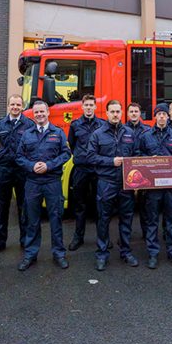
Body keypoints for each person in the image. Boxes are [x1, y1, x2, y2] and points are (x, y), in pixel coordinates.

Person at [15, 101, 71, 271]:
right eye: (37, 112)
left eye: (42, 111)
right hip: (33, 182)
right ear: (34, 114)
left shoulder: (58, 132)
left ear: (48, 113)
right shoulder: (26, 134)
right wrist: (31, 166)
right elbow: (19, 156)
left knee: (55, 218)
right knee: (32, 220)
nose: (39, 114)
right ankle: (30, 254)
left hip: (52, 182)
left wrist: (49, 165)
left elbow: (66, 153)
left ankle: (59, 254)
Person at [88, 100, 139, 271]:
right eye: (112, 111)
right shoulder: (97, 134)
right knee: (103, 219)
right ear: (107, 113)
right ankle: (102, 253)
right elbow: (90, 157)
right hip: (106, 183)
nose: (116, 114)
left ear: (122, 112)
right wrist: (111, 161)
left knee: (126, 219)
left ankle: (126, 252)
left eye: (118, 111)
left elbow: (136, 156)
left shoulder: (130, 133)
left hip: (126, 184)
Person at [137, 103, 172, 269]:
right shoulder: (145, 136)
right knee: (152, 222)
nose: (161, 117)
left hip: (171, 188)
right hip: (152, 189)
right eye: (158, 114)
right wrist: (147, 160)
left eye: (164, 115)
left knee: (171, 222)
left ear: (168, 117)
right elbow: (137, 156)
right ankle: (153, 254)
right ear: (155, 116)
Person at [0, 94, 35, 255]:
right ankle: (0, 241)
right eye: (13, 104)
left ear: (22, 107)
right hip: (4, 169)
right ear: (8, 106)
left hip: (21, 170)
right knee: (2, 206)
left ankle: (25, 240)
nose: (15, 107)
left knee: (23, 206)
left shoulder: (29, 125)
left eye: (18, 105)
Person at [67, 95, 106, 251]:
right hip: (81, 170)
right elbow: (72, 144)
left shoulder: (102, 125)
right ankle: (78, 237)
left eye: (91, 105)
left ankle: (102, 237)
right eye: (86, 105)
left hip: (97, 169)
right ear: (82, 107)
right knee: (79, 205)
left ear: (95, 107)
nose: (89, 107)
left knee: (100, 204)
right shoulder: (75, 125)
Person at [126, 102, 150, 239]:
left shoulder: (147, 130)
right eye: (131, 111)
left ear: (140, 114)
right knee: (127, 208)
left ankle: (146, 234)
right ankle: (126, 235)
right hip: (127, 174)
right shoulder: (122, 129)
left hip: (143, 173)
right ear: (128, 114)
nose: (134, 113)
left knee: (144, 206)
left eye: (136, 111)